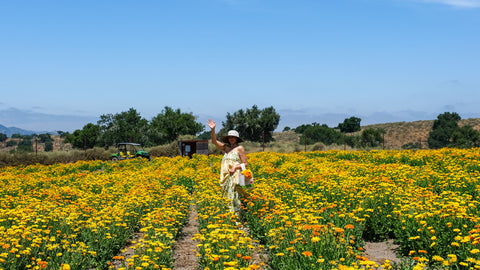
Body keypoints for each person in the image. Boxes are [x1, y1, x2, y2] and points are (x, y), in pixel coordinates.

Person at [208, 119, 248, 213]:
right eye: (230, 137)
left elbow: (245, 163)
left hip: (236, 175)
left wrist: (235, 167)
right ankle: (229, 215)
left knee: (235, 195)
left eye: (233, 137)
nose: (231, 139)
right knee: (226, 194)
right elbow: (214, 141)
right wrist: (213, 130)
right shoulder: (226, 148)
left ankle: (237, 216)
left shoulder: (240, 148)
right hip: (226, 176)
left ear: (237, 139)